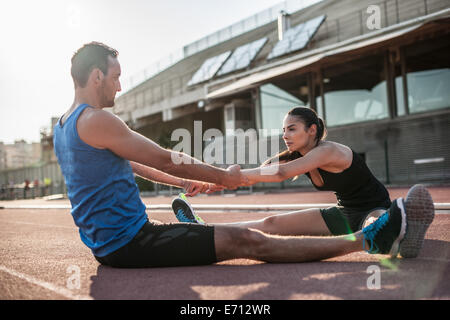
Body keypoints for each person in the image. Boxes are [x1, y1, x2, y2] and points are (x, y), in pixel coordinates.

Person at [54, 42, 432, 269]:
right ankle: (369, 241)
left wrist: (187, 181)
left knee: (238, 235)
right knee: (246, 240)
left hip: (115, 243)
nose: (120, 85)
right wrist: (224, 177)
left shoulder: (65, 124)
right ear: (97, 76)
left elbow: (134, 164)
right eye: (116, 76)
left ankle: (198, 230)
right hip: (129, 242)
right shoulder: (97, 120)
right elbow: (163, 158)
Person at [175, 107, 435, 259]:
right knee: (271, 223)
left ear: (312, 130)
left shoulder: (329, 151)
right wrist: (211, 184)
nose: (285, 135)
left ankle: (399, 236)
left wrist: (225, 177)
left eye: (292, 129)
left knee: (372, 224)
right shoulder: (296, 155)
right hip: (343, 213)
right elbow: (249, 176)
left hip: (373, 207)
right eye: (284, 129)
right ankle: (203, 229)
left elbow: (279, 174)